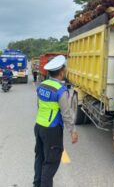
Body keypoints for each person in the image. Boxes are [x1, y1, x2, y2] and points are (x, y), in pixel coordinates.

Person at [33, 55, 78, 187]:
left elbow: (39, 105)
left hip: (39, 126)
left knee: (40, 158)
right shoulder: (60, 90)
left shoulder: (42, 85)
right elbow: (66, 114)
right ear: (62, 72)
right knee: (51, 162)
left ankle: (37, 184)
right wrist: (73, 131)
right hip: (52, 130)